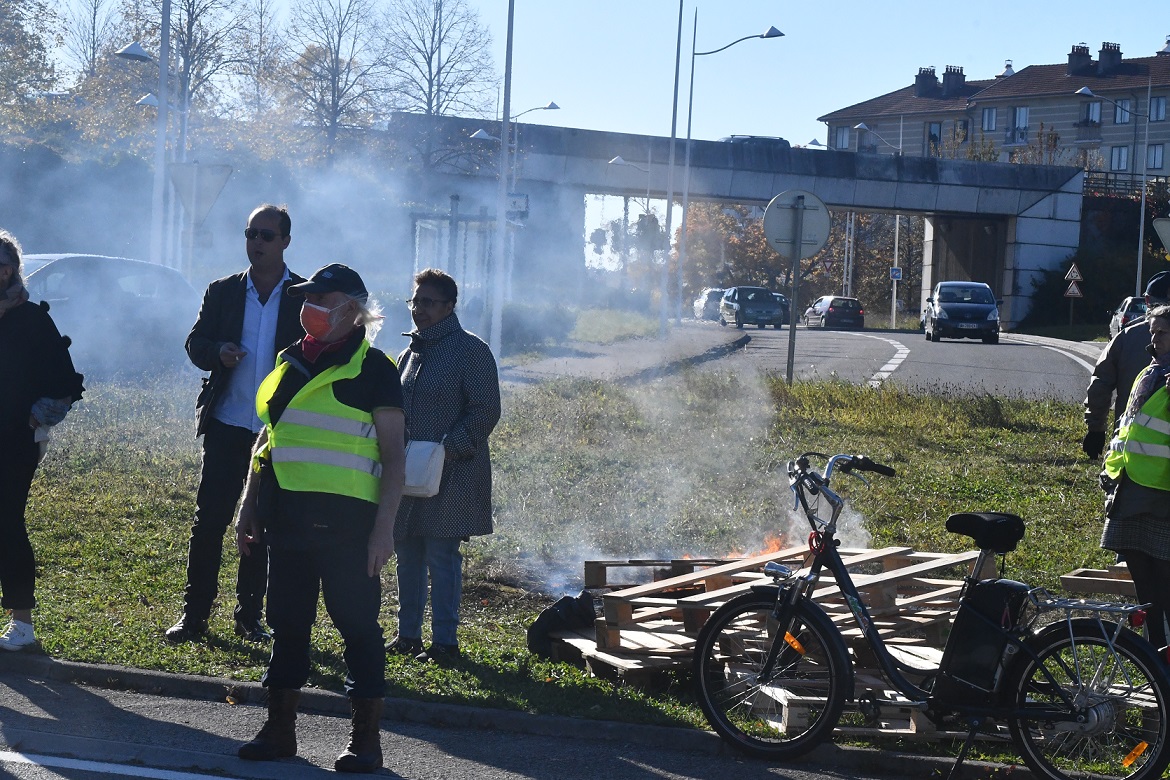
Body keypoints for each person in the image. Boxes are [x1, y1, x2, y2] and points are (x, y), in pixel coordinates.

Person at [234, 263, 404, 774]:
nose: (308, 307)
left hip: (350, 527)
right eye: (307, 299)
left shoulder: (375, 370)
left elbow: (395, 458)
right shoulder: (291, 361)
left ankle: (366, 742)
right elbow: (268, 440)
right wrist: (248, 502)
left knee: (357, 628)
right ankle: (279, 731)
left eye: (320, 299)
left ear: (352, 310)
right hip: (286, 518)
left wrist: (384, 531)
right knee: (287, 623)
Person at [165, 204, 305, 644]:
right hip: (227, 422)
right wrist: (218, 350)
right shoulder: (223, 290)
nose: (257, 243)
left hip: (276, 430)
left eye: (266, 235)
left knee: (260, 524)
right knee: (210, 521)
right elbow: (195, 342)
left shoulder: (303, 296)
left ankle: (250, 618)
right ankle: (195, 616)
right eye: (251, 234)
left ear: (285, 241)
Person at [386, 268, 500, 663]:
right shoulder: (408, 353)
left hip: (453, 472)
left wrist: (448, 450)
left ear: (450, 307)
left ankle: (445, 643)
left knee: (441, 555)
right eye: (415, 301)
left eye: (429, 303)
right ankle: (408, 636)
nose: (420, 310)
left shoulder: (471, 351)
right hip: (408, 471)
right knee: (407, 552)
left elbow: (485, 410)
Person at [0, 229, 84, 651]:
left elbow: (66, 384)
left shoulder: (32, 320)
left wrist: (39, 416)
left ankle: (22, 624)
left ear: (11, 270)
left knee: (7, 522)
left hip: (15, 440)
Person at [1101, 303, 1170, 651]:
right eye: (1153, 331)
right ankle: (1155, 651)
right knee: (1143, 579)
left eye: (1162, 332)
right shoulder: (1150, 373)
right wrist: (1109, 470)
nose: (1154, 338)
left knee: (1164, 581)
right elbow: (1128, 427)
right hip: (1130, 487)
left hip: (1162, 494)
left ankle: (1163, 654)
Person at [1083, 271, 1170, 459]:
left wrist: (1096, 428)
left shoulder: (1126, 338)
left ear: (1147, 300)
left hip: (1129, 448)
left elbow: (1101, 383)